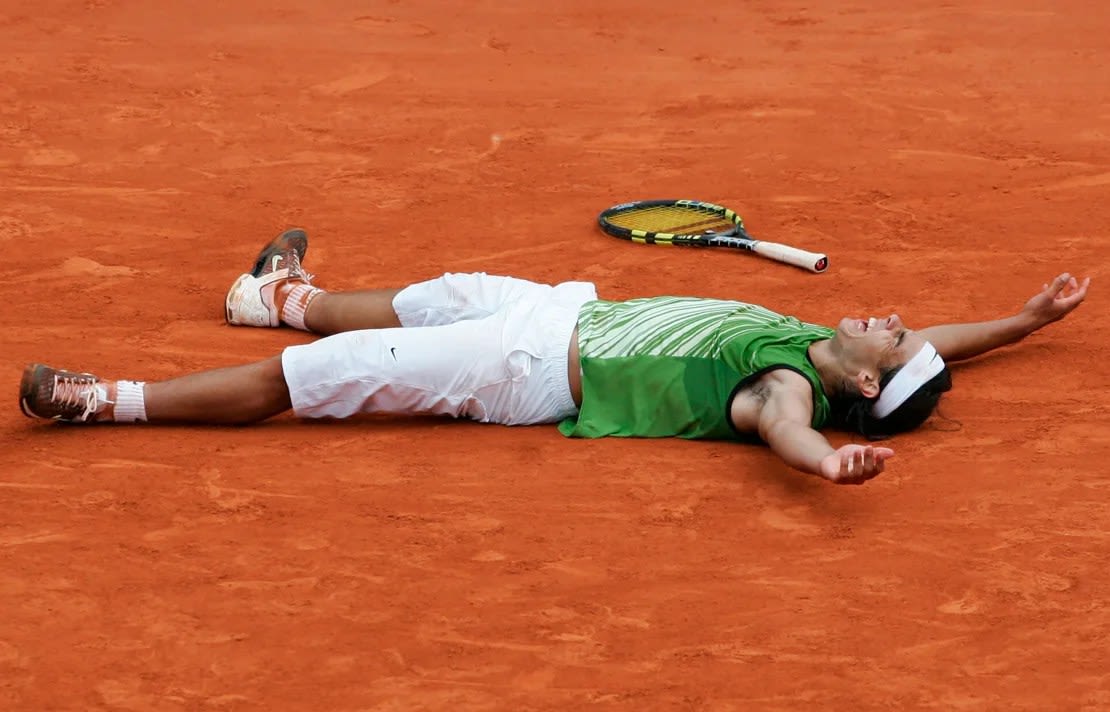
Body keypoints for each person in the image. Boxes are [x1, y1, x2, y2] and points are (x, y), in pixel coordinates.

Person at [19, 229, 1090, 485]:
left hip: (521, 373)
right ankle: (278, 296)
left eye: (890, 336)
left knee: (319, 387)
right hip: (562, 309)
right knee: (432, 292)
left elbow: (785, 430)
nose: (897, 316)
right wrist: (1028, 320)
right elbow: (939, 349)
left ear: (859, 381)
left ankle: (106, 400)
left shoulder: (784, 386)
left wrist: (829, 465)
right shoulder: (840, 351)